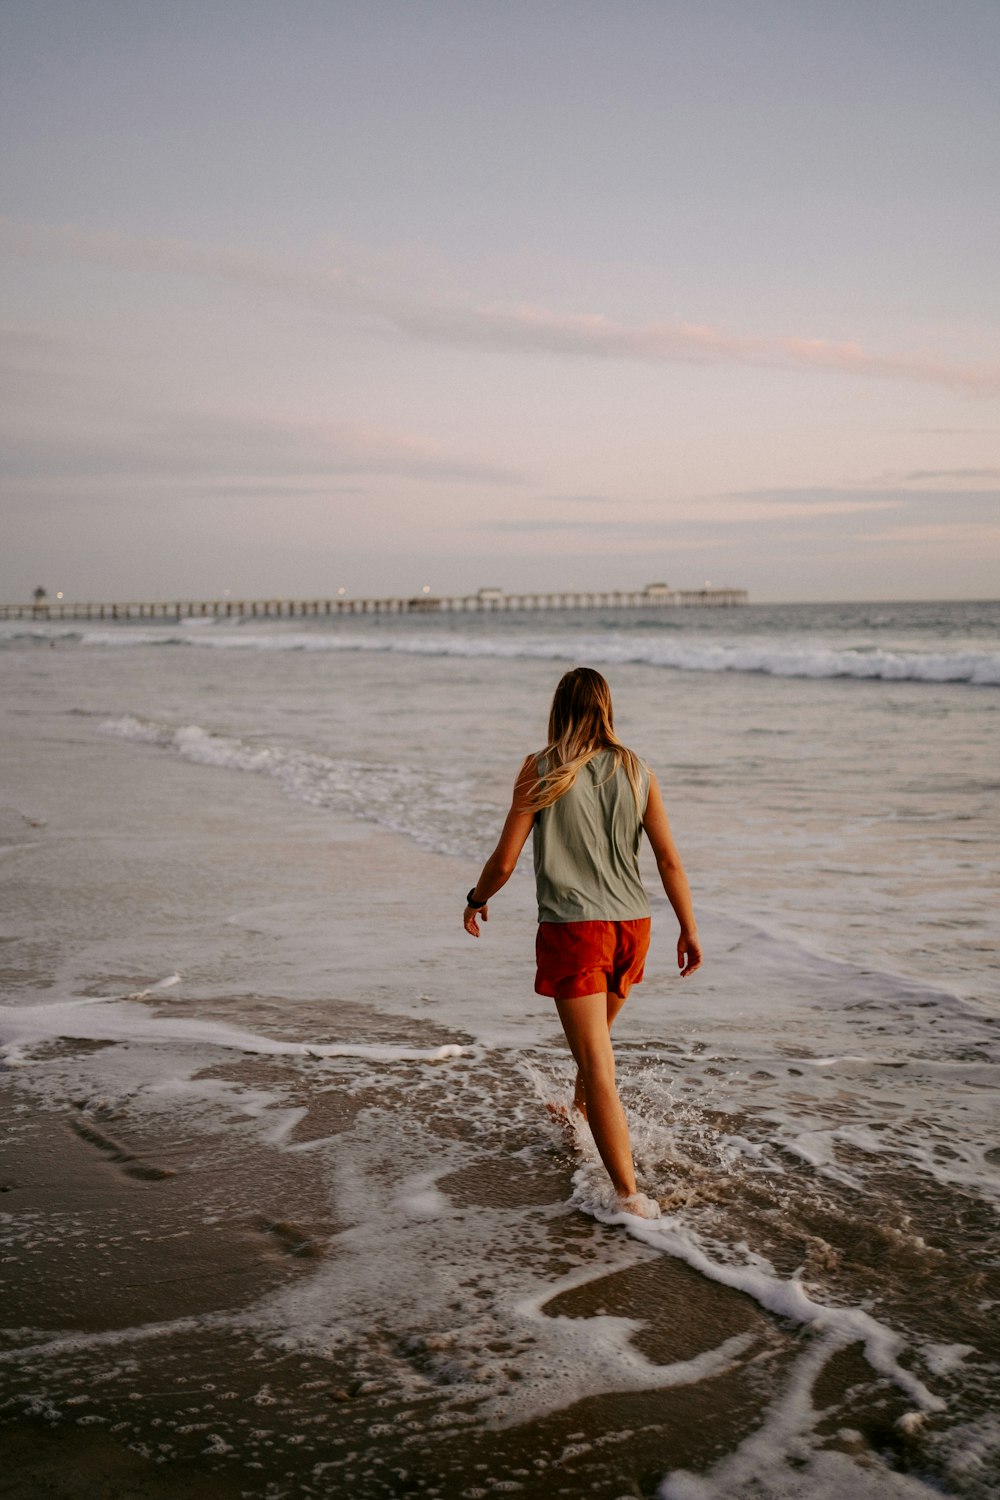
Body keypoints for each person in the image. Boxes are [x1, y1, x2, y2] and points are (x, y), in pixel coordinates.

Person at [463, 666, 702, 1218]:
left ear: (560, 708)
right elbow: (668, 860)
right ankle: (575, 1118)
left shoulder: (543, 769)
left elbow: (504, 860)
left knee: (597, 1059)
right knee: (596, 1045)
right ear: (606, 707)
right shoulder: (637, 768)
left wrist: (476, 900)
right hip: (632, 927)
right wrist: (689, 927)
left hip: (575, 929)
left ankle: (627, 1194)